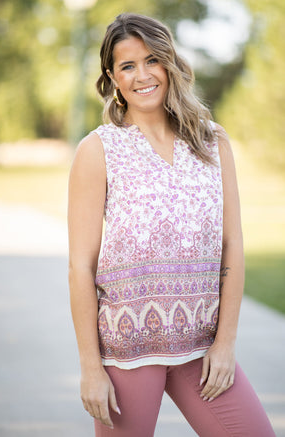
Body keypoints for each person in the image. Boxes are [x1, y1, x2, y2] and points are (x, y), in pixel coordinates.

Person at [68, 12, 275, 437]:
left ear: (170, 64)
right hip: (129, 348)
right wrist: (91, 367)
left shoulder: (212, 142)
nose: (142, 75)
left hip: (201, 346)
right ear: (113, 77)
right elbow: (80, 267)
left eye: (152, 61)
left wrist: (225, 344)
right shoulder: (99, 149)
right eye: (128, 66)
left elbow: (232, 244)